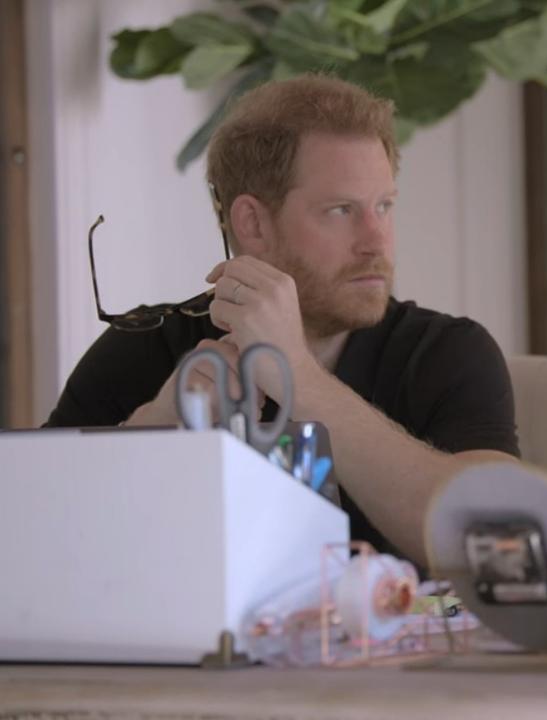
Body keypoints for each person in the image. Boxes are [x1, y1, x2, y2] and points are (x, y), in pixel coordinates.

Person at [45, 75, 519, 567]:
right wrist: (154, 428)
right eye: (341, 210)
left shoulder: (448, 353)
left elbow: (495, 544)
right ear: (252, 224)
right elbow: (29, 536)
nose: (376, 240)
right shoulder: (146, 348)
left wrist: (297, 375)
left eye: (384, 206)